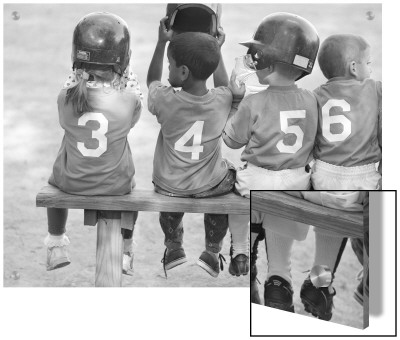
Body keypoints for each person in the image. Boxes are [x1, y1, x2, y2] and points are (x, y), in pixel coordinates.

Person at [222, 12, 320, 308]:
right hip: (294, 181)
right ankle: (278, 279)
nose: (253, 58)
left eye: (257, 53)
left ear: (271, 59)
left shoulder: (254, 101)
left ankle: (245, 252)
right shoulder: (311, 99)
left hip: (256, 180)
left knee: (235, 181)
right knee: (281, 209)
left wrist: (236, 104)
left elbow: (230, 140)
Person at [44, 12, 142, 277]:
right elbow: (132, 118)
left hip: (71, 182)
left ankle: (56, 243)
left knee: (54, 181)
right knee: (131, 185)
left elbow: (68, 115)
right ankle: (126, 250)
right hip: (115, 186)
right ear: (123, 61)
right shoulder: (128, 100)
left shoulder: (65, 97)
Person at [146, 16, 245, 278]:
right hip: (209, 185)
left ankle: (174, 247)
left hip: (170, 185)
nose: (168, 70)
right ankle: (212, 252)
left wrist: (160, 43)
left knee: (168, 190)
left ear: (183, 72)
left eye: (171, 65)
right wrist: (218, 49)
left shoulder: (165, 99)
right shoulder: (221, 100)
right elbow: (226, 87)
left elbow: (151, 81)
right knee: (228, 183)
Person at [299, 34, 381, 320]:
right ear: (355, 67)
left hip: (324, 182)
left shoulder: (315, 95)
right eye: (369, 63)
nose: (372, 68)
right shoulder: (375, 90)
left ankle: (320, 284)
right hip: (361, 183)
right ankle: (370, 285)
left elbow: (308, 145)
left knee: (334, 220)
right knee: (375, 219)